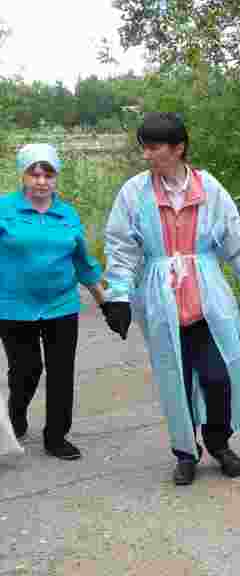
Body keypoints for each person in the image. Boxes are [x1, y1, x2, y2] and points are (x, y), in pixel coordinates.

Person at [101, 112, 240, 486]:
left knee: (220, 377)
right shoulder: (134, 192)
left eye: (154, 147)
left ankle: (218, 441)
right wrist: (117, 296)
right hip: (159, 299)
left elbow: (233, 235)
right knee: (175, 380)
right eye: (144, 148)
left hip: (206, 297)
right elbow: (120, 246)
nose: (147, 155)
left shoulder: (209, 188)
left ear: (178, 148)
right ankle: (186, 452)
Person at [0, 144, 105, 460]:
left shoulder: (67, 214)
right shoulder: (5, 210)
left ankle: (56, 436)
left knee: (62, 372)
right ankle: (15, 414)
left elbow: (83, 262)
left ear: (56, 177)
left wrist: (106, 303)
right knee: (26, 371)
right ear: (24, 175)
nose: (41, 181)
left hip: (61, 305)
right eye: (34, 173)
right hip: (13, 307)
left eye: (48, 174)